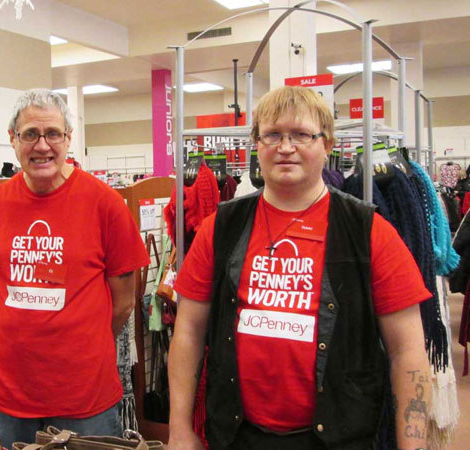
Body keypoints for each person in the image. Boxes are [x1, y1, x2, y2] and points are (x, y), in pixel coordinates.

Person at [167, 86, 432, 450]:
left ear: (327, 144)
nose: (285, 147)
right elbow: (189, 332)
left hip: (339, 438)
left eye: (301, 135)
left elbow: (408, 351)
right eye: (272, 134)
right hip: (237, 435)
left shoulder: (368, 231)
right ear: (256, 144)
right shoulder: (221, 227)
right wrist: (179, 428)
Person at [0, 89, 149, 448]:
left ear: (68, 139)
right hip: (6, 398)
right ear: (13, 140)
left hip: (84, 398)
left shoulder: (105, 205)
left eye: (53, 134)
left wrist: (80, 343)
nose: (42, 146)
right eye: (30, 134)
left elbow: (123, 303)